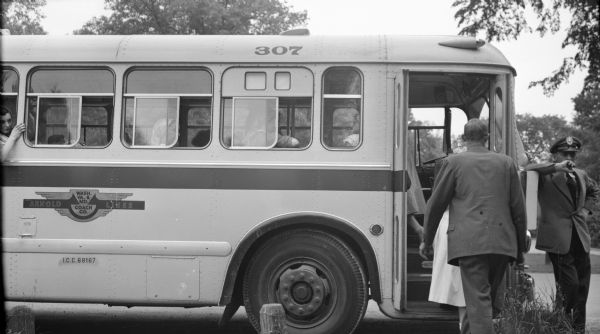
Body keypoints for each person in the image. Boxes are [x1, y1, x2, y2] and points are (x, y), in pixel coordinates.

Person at [419, 119, 527, 334]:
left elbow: (436, 205)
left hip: (469, 244)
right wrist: (520, 249)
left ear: (463, 138)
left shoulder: (454, 163)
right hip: (502, 244)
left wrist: (427, 239)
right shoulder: (506, 163)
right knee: (479, 301)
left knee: (478, 302)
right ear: (487, 137)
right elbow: (518, 209)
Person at [525, 136, 599, 333]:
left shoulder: (581, 174)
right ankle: (561, 325)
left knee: (582, 287)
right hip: (557, 238)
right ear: (555, 155)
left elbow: (594, 191)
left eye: (572, 154)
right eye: (564, 154)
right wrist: (556, 167)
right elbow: (529, 168)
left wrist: (585, 210)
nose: (569, 157)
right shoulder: (546, 174)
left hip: (580, 237)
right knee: (570, 286)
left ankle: (577, 328)